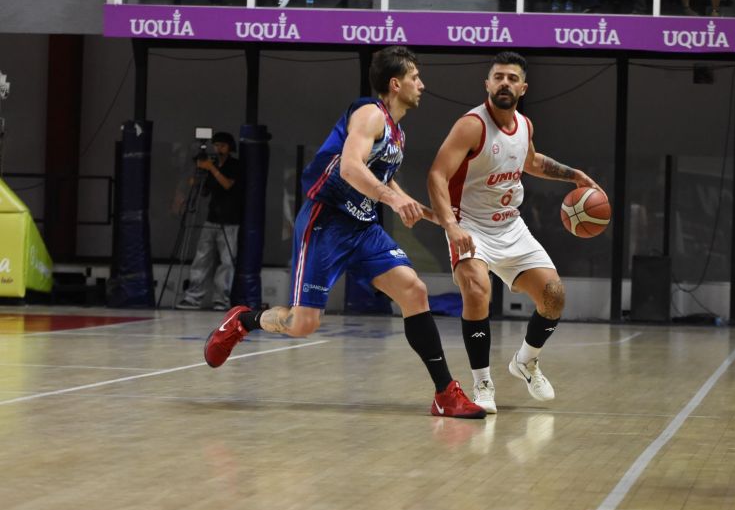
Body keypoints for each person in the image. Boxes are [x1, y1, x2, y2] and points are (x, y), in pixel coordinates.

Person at [203, 46, 485, 419]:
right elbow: (350, 167)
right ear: (395, 83)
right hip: (327, 222)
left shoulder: (397, 133)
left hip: (363, 227)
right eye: (415, 77)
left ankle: (445, 393)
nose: (422, 84)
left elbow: (382, 177)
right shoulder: (370, 114)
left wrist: (431, 215)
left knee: (414, 291)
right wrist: (392, 200)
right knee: (302, 324)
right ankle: (243, 320)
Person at [426, 51, 601, 414]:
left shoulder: (525, 126)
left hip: (510, 224)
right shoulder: (472, 126)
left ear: (523, 88)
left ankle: (526, 361)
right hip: (469, 224)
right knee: (477, 289)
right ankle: (482, 383)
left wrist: (574, 175)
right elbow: (437, 175)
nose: (504, 83)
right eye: (498, 77)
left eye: (512, 78)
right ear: (487, 84)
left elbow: (531, 161)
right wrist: (451, 225)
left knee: (554, 296)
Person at [177, 132, 243, 311]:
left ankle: (221, 299)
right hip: (211, 219)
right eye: (216, 145)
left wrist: (211, 168)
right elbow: (205, 192)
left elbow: (227, 184)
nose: (218, 148)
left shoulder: (234, 165)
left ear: (229, 147)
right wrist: (197, 179)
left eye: (222, 145)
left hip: (229, 221)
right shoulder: (211, 165)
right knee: (201, 258)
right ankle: (193, 297)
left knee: (227, 261)